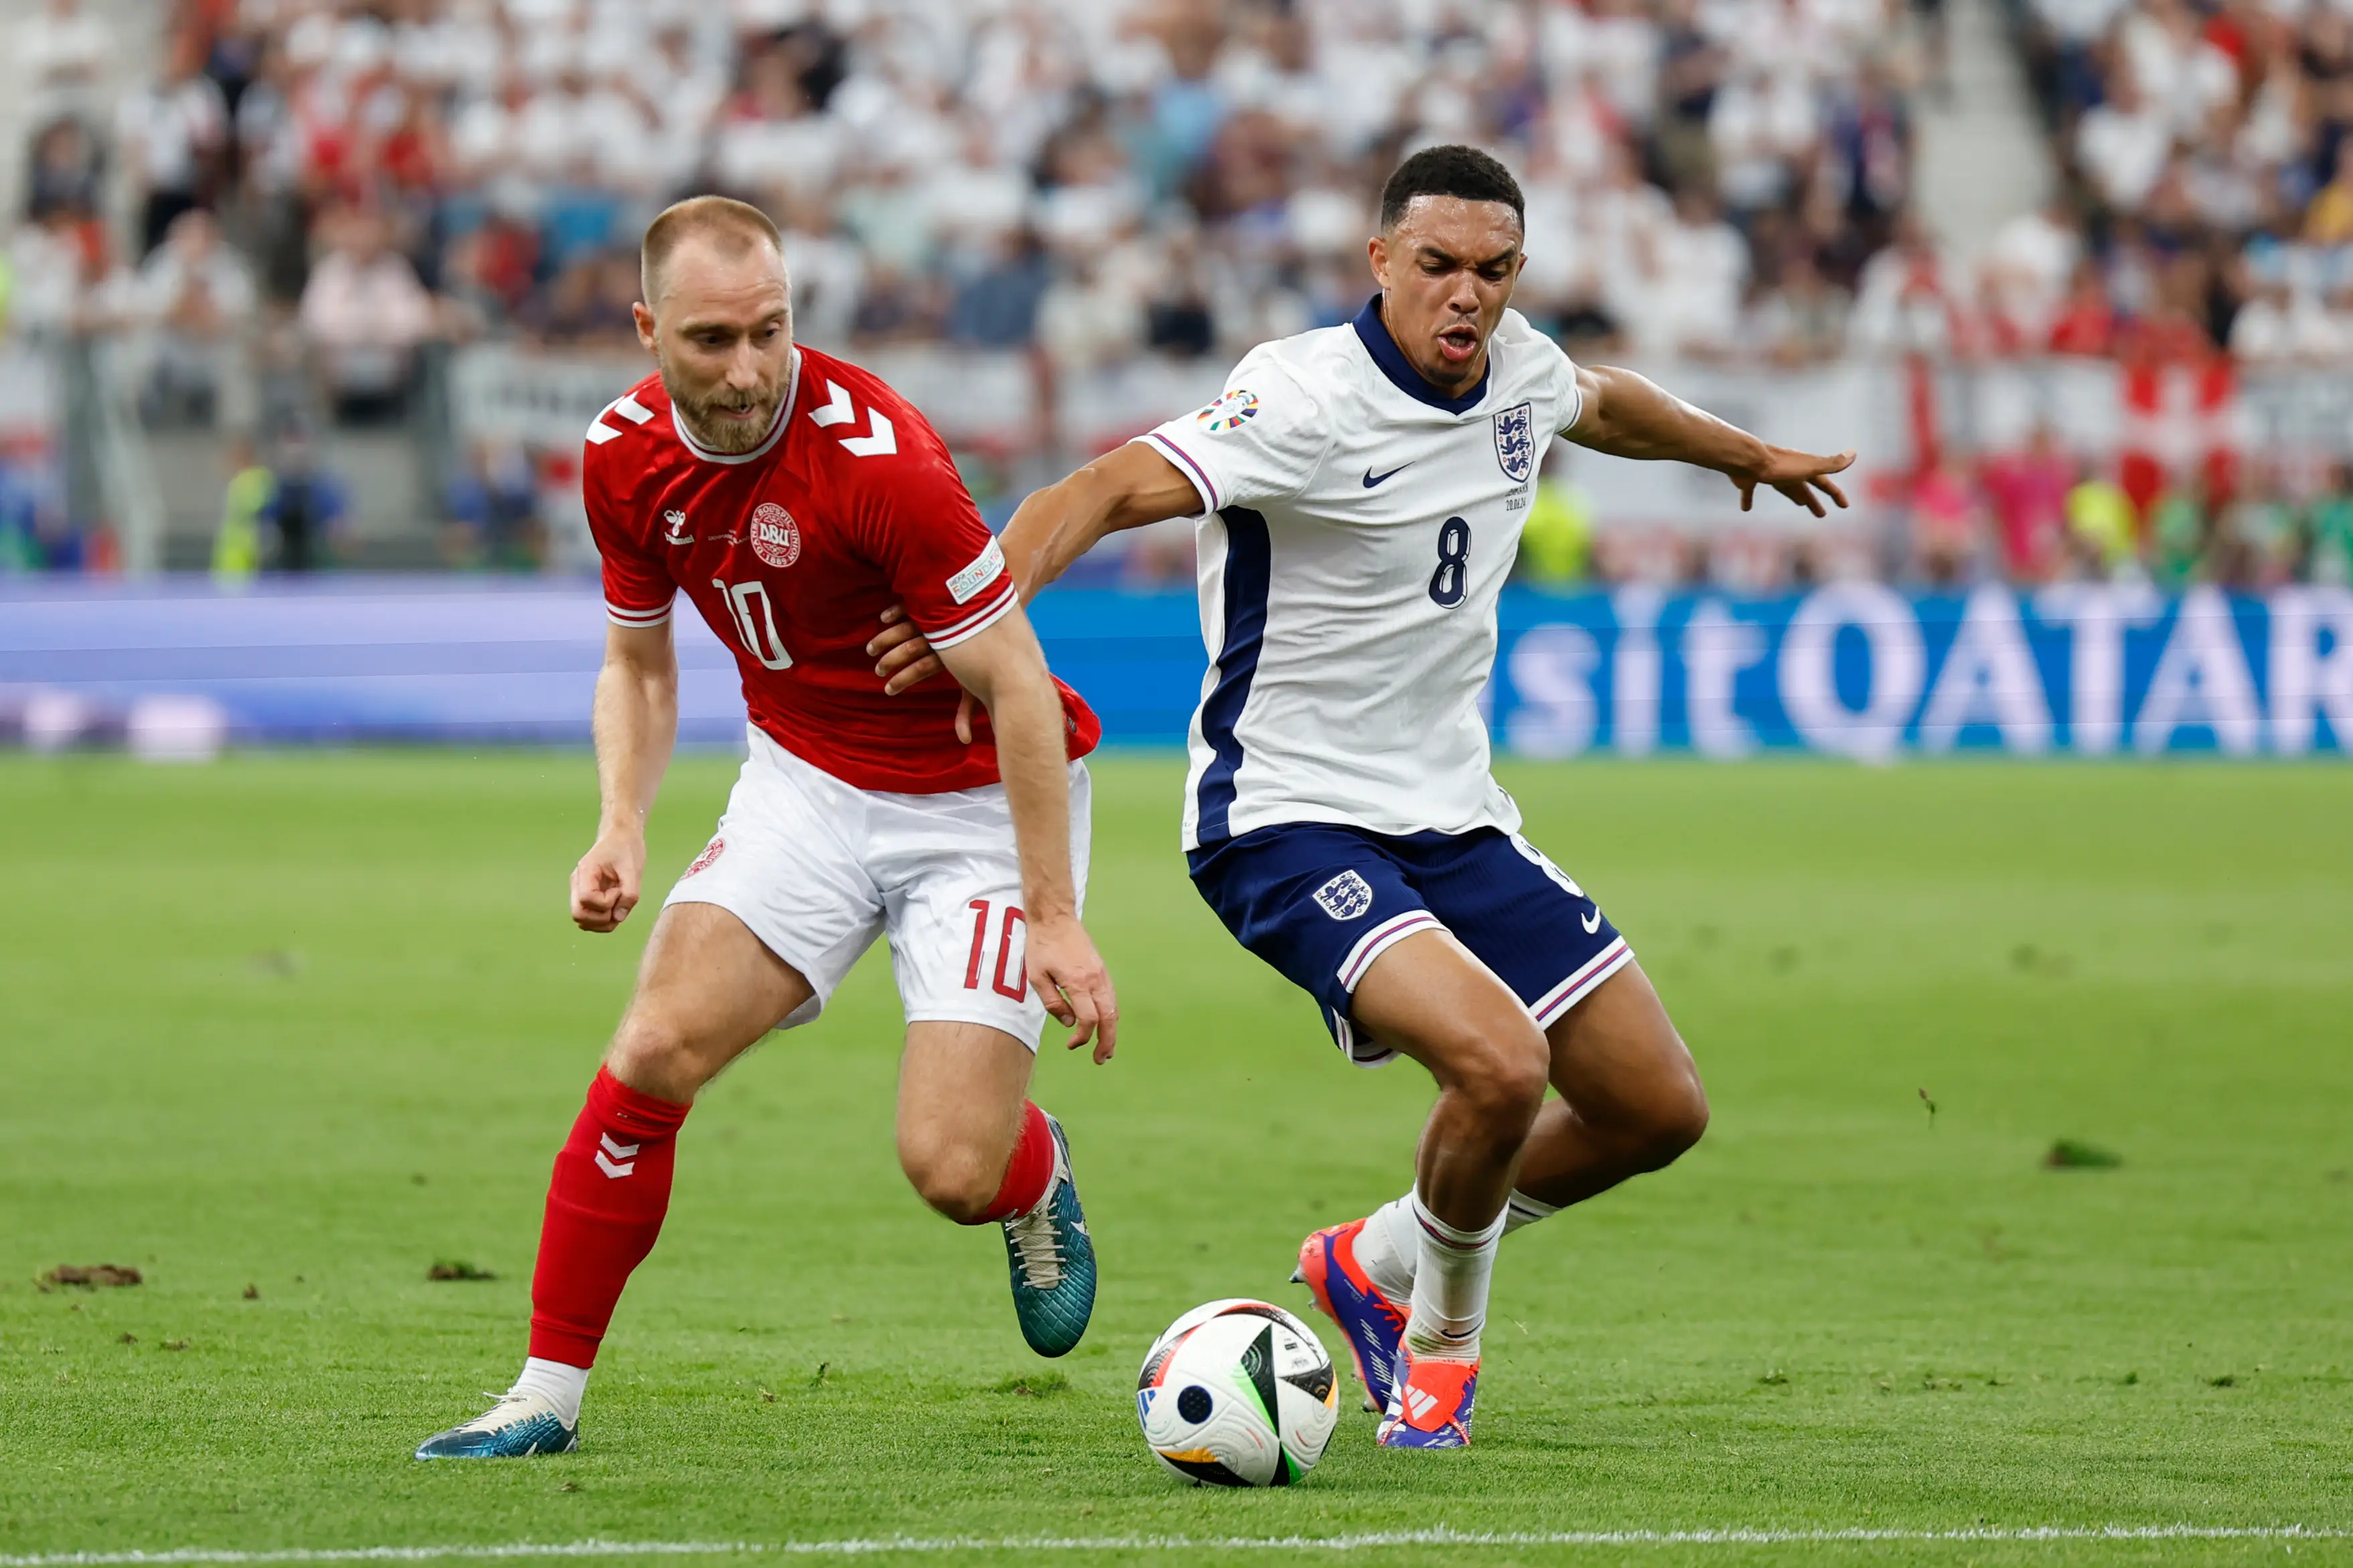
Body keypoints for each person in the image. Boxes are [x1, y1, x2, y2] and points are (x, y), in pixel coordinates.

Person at [876, 145, 1852, 1451]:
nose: (1467, 297)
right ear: (1379, 260)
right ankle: (1437, 1350)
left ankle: (1373, 1255)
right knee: (1499, 1065)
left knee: (1652, 1107)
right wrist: (979, 611)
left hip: (1452, 817)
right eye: (1439, 266)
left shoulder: (1517, 371)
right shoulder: (1299, 398)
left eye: (1493, 272)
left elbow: (1604, 405)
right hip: (1280, 821)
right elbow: (1100, 489)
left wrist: (1744, 453)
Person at [413, 196, 1117, 1460]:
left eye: (770, 333)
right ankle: (543, 1393)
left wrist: (1055, 917)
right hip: (805, 783)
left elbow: (1017, 682)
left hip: (968, 810)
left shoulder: (880, 459)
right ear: (645, 331)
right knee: (652, 1046)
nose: (747, 372)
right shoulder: (620, 452)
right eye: (711, 341)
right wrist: (621, 822)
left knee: (952, 1166)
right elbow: (637, 664)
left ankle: (1033, 1169)